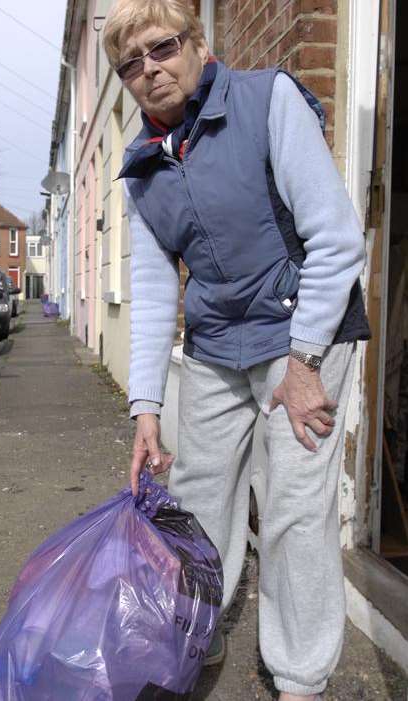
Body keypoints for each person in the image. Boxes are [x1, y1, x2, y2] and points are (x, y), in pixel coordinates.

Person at [102, 2, 371, 700]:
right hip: (219, 340)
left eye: (160, 49)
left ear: (196, 42)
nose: (148, 70)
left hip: (301, 331)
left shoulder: (265, 100)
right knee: (194, 501)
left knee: (291, 511)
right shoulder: (141, 166)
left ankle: (299, 676)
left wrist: (305, 362)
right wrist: (146, 407)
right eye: (129, 64)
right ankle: (195, 631)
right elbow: (156, 291)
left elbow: (336, 238)